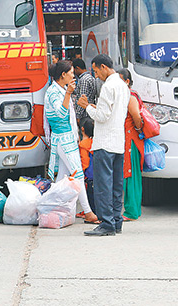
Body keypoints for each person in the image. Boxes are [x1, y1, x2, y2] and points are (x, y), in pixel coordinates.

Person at [77, 54, 130, 237]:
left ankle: (106, 224)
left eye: (96, 70)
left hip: (105, 142)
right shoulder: (123, 85)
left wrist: (86, 106)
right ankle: (116, 221)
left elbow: (102, 116)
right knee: (116, 184)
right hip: (118, 142)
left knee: (102, 185)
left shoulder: (108, 86)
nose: (96, 75)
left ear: (104, 67)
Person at [44, 60, 97, 224]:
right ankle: (88, 212)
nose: (74, 76)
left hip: (66, 138)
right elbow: (60, 114)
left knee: (62, 178)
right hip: (63, 139)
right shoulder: (54, 92)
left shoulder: (58, 90)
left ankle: (52, 209)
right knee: (78, 175)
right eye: (71, 73)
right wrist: (68, 94)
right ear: (63, 75)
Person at [117, 69, 145, 222]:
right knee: (131, 174)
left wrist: (138, 129)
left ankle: (131, 211)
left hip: (131, 139)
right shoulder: (129, 94)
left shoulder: (130, 96)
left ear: (127, 82)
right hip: (131, 138)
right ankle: (134, 209)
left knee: (130, 174)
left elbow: (136, 116)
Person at [79, 117, 95, 214]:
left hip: (89, 175)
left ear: (82, 129)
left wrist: (83, 172)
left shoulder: (83, 144)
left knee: (89, 195)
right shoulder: (94, 142)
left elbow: (84, 161)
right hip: (98, 174)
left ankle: (89, 212)